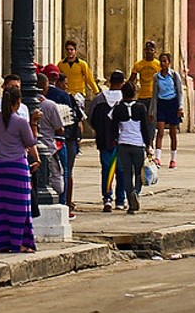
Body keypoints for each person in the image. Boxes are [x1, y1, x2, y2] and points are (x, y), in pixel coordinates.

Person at [0, 83, 40, 253]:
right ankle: (19, 243)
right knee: (20, 209)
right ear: (18, 102)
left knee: (0, 208)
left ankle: (1, 243)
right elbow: (31, 142)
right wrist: (34, 123)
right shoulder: (20, 122)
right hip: (17, 167)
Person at [42, 64, 83, 217]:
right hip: (61, 140)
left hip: (45, 141)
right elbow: (69, 121)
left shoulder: (32, 97)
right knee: (63, 172)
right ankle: (63, 203)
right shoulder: (63, 97)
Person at [111, 81, 154, 214]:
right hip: (138, 144)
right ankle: (136, 192)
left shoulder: (118, 109)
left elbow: (113, 129)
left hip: (123, 144)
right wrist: (148, 145)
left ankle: (130, 201)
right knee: (139, 173)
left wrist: (115, 141)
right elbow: (145, 128)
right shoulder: (141, 108)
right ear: (135, 93)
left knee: (126, 174)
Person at [89, 70, 128, 213]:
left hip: (104, 139)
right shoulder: (125, 100)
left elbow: (91, 118)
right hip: (121, 140)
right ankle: (120, 199)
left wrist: (100, 130)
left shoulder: (99, 99)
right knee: (121, 170)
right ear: (122, 83)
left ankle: (107, 198)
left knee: (106, 169)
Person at [33, 73, 68, 200]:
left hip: (32, 148)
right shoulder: (50, 105)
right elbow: (59, 129)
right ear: (44, 87)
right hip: (48, 147)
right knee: (56, 178)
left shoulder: (24, 104)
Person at [153, 52, 185, 168]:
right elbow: (154, 94)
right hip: (161, 104)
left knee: (173, 132)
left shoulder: (174, 75)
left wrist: (180, 107)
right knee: (160, 131)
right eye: (161, 61)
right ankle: (157, 158)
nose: (163, 63)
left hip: (173, 104)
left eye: (165, 61)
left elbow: (180, 92)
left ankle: (173, 159)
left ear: (169, 63)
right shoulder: (156, 77)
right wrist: (152, 111)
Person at [130, 42, 160, 117]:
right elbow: (131, 79)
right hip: (141, 95)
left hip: (153, 96)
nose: (149, 52)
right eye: (147, 50)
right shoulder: (138, 64)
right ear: (144, 50)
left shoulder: (158, 64)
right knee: (141, 118)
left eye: (151, 50)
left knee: (152, 118)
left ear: (155, 51)